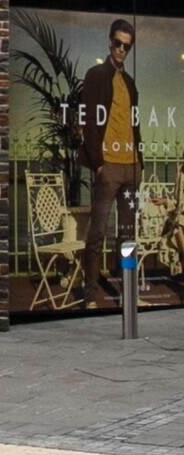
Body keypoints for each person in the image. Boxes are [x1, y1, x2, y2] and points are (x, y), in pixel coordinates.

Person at [80, 18, 141, 308]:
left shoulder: (130, 82)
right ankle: (90, 293)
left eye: (126, 47)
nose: (121, 50)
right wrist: (99, 164)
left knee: (127, 236)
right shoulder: (95, 75)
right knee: (97, 232)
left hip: (131, 167)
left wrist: (139, 160)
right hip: (108, 165)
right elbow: (89, 123)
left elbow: (135, 123)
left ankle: (128, 293)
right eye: (117, 43)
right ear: (109, 42)